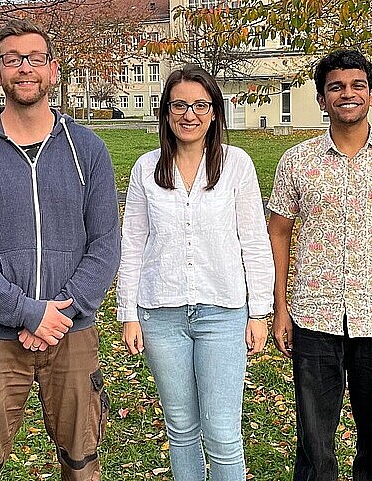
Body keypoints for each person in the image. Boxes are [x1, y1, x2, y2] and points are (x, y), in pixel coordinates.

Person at [0, 19, 121, 481]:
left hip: (71, 329)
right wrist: (25, 312)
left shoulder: (88, 149)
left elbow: (104, 242)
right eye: (12, 59)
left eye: (35, 58)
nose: (25, 68)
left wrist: (60, 312)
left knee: (82, 461)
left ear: (53, 69)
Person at [267, 50, 372, 481]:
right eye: (336, 87)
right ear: (322, 98)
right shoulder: (296, 161)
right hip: (313, 316)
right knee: (314, 440)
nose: (348, 94)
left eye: (357, 85)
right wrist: (280, 308)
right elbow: (279, 233)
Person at [117, 64, 274, 481]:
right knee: (181, 429)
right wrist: (128, 314)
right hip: (161, 315)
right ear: (166, 112)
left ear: (215, 112)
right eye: (180, 105)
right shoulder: (146, 169)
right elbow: (132, 244)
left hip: (222, 314)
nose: (190, 114)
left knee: (223, 433)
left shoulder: (236, 165)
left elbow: (254, 241)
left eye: (200, 105)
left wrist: (259, 311)